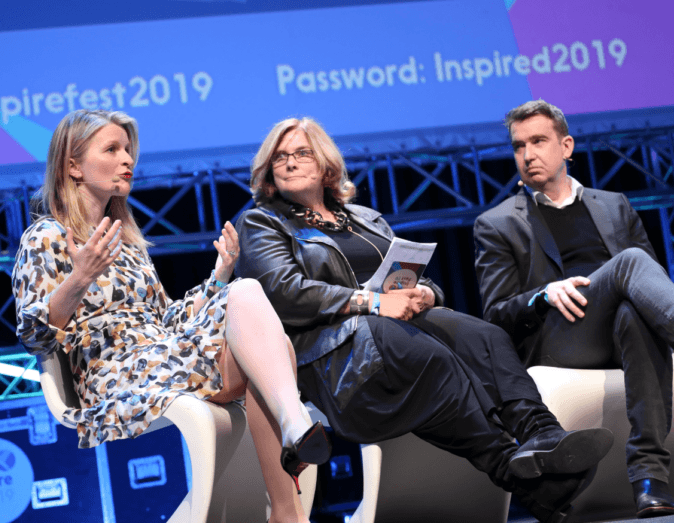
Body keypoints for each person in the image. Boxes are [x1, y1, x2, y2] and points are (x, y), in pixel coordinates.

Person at [235, 116, 614, 523]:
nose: (290, 162)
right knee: (426, 352)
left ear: (326, 164)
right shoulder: (263, 222)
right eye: (280, 157)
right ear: (268, 171)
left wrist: (427, 293)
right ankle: (520, 472)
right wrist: (373, 302)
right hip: (334, 352)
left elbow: (413, 275)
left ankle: (543, 436)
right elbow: (285, 293)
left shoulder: (366, 218)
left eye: (301, 153)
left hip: (393, 327)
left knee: (482, 335)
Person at [11, 110, 331, 523]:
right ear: (73, 165)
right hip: (113, 375)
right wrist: (79, 278)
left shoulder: (127, 244)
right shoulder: (46, 236)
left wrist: (218, 278)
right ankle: (294, 437)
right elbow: (34, 338)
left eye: (128, 150)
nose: (128, 159)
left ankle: (288, 510)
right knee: (266, 345)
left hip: (161, 356)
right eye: (112, 149)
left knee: (250, 306)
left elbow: (166, 321)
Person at [474, 99, 674, 518]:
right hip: (560, 339)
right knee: (632, 263)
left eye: (539, 141)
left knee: (633, 315)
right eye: (518, 146)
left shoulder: (613, 203)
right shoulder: (498, 223)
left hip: (620, 331)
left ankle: (649, 479)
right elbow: (494, 314)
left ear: (566, 146)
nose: (527, 155)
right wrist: (543, 294)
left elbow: (651, 289)